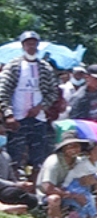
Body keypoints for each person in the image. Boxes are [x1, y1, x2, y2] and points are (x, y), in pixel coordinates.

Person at [0, 31, 60, 179]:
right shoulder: (13, 66)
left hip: (38, 118)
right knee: (15, 156)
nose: (31, 47)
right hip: (17, 118)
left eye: (34, 43)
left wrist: (40, 107)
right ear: (23, 46)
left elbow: (53, 92)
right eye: (28, 44)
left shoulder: (45, 68)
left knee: (38, 157)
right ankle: (15, 187)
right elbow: (3, 92)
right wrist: (8, 114)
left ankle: (35, 187)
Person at [36, 129, 89, 218]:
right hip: (46, 196)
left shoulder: (78, 161)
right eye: (70, 146)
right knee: (54, 199)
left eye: (77, 146)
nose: (74, 149)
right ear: (63, 148)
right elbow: (48, 188)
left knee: (89, 195)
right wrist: (73, 195)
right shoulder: (54, 162)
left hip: (68, 193)